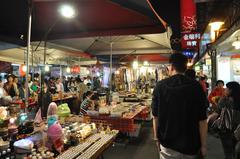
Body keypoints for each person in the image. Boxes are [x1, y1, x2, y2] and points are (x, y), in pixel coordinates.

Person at [151, 53, 208, 159]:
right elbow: (202, 120)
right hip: (191, 144)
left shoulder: (160, 87)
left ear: (171, 67)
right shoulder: (196, 87)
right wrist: (204, 145)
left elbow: (155, 116)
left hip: (168, 144)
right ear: (185, 68)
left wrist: (156, 138)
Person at [208, 81, 240, 159]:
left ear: (231, 90)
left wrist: (208, 120)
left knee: (228, 151)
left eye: (227, 88)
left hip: (226, 129)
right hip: (238, 129)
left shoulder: (224, 100)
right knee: (236, 149)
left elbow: (216, 113)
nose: (225, 89)